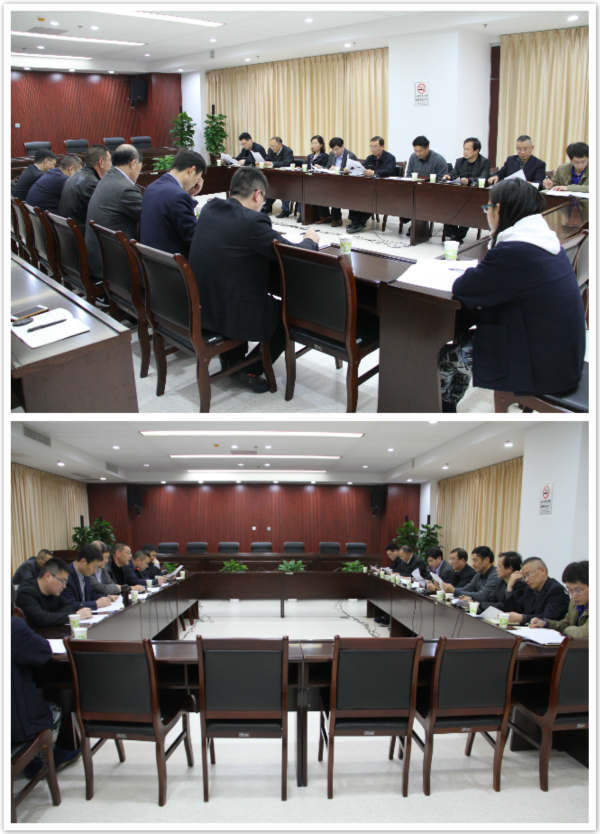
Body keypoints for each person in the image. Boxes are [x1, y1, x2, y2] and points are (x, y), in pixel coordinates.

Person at [451, 178, 585, 402]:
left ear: (498, 209)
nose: (486, 214)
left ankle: (443, 410)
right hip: (561, 357)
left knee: (444, 359)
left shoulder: (515, 251)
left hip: (542, 368)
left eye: (487, 208)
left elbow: (463, 288)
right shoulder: (542, 239)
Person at [188, 166, 319, 393]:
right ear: (258, 195)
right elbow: (293, 255)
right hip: (229, 312)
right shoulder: (252, 222)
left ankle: (232, 360)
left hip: (202, 306)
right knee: (288, 314)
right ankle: (250, 369)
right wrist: (310, 240)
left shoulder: (210, 208)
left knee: (238, 286)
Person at [12, 613, 81, 773]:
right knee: (61, 696)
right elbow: (43, 651)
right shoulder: (12, 627)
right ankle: (40, 761)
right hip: (16, 726)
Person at [84, 143, 143, 278]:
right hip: (115, 267)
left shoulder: (108, 178)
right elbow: (149, 217)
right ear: (133, 163)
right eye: (140, 168)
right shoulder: (125, 188)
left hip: (99, 258)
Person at [139, 149, 206, 257]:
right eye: (197, 178)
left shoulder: (151, 187)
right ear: (191, 171)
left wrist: (189, 195)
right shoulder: (178, 196)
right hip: (173, 261)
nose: (195, 184)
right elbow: (194, 238)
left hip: (151, 258)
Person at [15, 557, 92, 628]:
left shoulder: (55, 591)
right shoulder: (26, 592)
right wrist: (75, 616)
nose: (64, 586)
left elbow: (69, 606)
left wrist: (53, 617)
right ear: (48, 576)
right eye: (62, 581)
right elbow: (41, 619)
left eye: (66, 582)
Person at [442, 137, 491, 243]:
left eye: (468, 149)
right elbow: (454, 173)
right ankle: (454, 234)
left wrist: (469, 181)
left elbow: (483, 179)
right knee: (446, 204)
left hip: (476, 197)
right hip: (460, 195)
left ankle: (457, 236)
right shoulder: (460, 161)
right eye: (464, 149)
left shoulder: (484, 162)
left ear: (476, 151)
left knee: (468, 208)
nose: (465, 152)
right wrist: (448, 176)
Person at [346, 136, 397, 233]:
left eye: (375, 146)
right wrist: (350, 169)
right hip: (369, 186)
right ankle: (354, 221)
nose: (373, 149)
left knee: (368, 197)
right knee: (354, 194)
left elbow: (389, 171)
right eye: (371, 146)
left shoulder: (390, 158)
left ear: (382, 146)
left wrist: (374, 173)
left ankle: (360, 223)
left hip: (383, 188)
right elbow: (362, 168)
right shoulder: (370, 158)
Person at [57, 144, 112, 229]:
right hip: (79, 233)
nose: (111, 165)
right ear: (101, 162)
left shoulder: (77, 175)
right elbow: (105, 214)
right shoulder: (91, 183)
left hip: (68, 231)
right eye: (110, 160)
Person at [530, 560, 588, 637]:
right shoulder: (574, 603)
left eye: (578, 590)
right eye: (570, 590)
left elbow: (583, 633)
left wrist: (566, 630)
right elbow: (566, 623)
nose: (574, 595)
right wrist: (546, 624)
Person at [504, 557, 569, 625]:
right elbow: (516, 611)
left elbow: (547, 618)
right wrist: (509, 588)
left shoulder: (556, 590)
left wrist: (523, 618)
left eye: (528, 575)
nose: (526, 580)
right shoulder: (529, 589)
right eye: (524, 577)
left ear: (543, 571)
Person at [61, 545, 116, 611]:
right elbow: (70, 605)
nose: (94, 571)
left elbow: (91, 594)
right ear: (83, 561)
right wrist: (95, 604)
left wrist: (105, 598)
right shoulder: (66, 576)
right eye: (94, 567)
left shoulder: (85, 573)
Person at [320, 137, 357, 227]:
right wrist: (323, 168)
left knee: (335, 191)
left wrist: (339, 169)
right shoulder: (332, 154)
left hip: (348, 184)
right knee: (320, 189)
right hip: (334, 182)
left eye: (337, 149)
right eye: (333, 149)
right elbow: (328, 167)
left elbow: (355, 172)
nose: (335, 152)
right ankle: (328, 217)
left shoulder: (350, 156)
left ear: (342, 146)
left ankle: (337, 218)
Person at [295, 135, 330, 224]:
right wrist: (300, 168)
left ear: (321, 145)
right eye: (312, 143)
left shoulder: (325, 156)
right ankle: (302, 214)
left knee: (311, 190)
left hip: (320, 182)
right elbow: (305, 166)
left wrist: (321, 167)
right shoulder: (310, 156)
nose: (313, 145)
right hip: (309, 181)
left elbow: (327, 169)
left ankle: (322, 216)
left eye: (315, 143)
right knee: (301, 189)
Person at [262, 137, 294, 217]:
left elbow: (287, 163)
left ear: (280, 144)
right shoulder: (270, 150)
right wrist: (264, 162)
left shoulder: (288, 151)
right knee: (267, 184)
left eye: (273, 146)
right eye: (270, 146)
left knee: (284, 186)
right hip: (274, 176)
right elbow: (267, 159)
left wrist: (273, 164)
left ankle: (285, 210)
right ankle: (267, 207)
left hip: (286, 177)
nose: (271, 148)